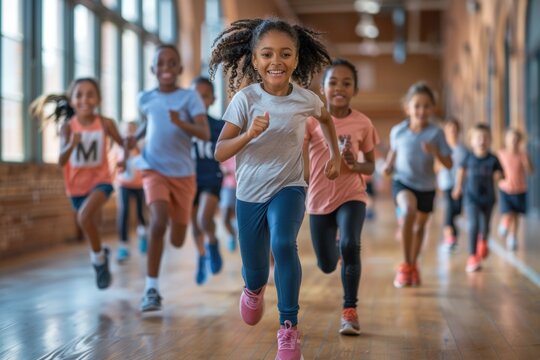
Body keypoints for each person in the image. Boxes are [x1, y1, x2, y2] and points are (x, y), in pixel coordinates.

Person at [209, 18, 340, 360]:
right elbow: (219, 151)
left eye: (285, 53)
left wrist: (335, 155)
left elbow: (326, 119)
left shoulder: (305, 99)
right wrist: (249, 134)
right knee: (255, 270)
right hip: (250, 194)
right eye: (267, 54)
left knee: (283, 243)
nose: (276, 61)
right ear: (255, 60)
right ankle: (254, 289)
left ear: (296, 59)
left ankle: (288, 328)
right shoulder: (245, 99)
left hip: (290, 187)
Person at [304, 59, 379, 336]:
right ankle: (333, 250)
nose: (339, 88)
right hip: (318, 199)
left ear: (355, 89)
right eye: (333, 82)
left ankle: (350, 310)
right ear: (322, 88)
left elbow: (370, 166)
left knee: (350, 244)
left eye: (346, 83)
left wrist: (354, 164)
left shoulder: (363, 123)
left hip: (352, 195)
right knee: (325, 265)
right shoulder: (311, 121)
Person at [30, 78, 127, 290]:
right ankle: (101, 251)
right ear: (72, 101)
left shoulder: (105, 123)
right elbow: (61, 160)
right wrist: (71, 145)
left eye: (90, 94)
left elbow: (123, 143)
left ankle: (98, 261)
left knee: (84, 218)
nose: (85, 99)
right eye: (79, 95)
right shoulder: (68, 127)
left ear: (99, 99)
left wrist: (123, 158)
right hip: (76, 187)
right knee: (93, 226)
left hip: (101, 181)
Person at [134, 44, 210, 312]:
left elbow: (204, 133)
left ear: (179, 69)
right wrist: (135, 137)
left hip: (183, 174)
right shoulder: (145, 98)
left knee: (177, 238)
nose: (166, 68)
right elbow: (148, 123)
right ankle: (151, 289)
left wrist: (182, 123)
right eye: (161, 63)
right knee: (157, 222)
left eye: (172, 63)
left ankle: (180, 230)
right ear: (152, 69)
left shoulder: (190, 98)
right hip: (153, 168)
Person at [383, 82, 452, 288]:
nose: (422, 110)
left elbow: (449, 163)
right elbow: (393, 154)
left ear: (433, 108)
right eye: (417, 106)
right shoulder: (398, 131)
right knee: (409, 210)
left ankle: (413, 265)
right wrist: (387, 166)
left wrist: (435, 153)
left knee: (420, 227)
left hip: (427, 187)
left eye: (427, 106)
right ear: (408, 108)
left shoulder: (437, 133)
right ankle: (405, 266)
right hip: (403, 182)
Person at [452, 123, 504, 272]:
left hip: (488, 199)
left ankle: (484, 241)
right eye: (478, 137)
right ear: (472, 141)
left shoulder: (493, 159)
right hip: (471, 198)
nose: (482, 140)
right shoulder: (468, 157)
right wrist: (458, 187)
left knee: (485, 226)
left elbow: (501, 175)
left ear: (490, 140)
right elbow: (461, 171)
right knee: (473, 224)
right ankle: (472, 256)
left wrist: (499, 177)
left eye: (486, 137)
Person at [190, 76, 225, 285]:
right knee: (194, 225)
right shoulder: (183, 126)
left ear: (212, 99)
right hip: (188, 180)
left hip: (211, 178)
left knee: (204, 219)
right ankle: (201, 256)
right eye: (194, 96)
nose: (199, 100)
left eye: (204, 96)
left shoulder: (217, 126)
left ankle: (212, 242)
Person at [114, 121, 148, 262]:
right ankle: (123, 246)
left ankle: (143, 236)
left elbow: (144, 163)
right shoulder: (119, 147)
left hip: (139, 185)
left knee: (141, 213)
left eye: (132, 130)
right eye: (126, 130)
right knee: (124, 213)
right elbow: (117, 165)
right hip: (123, 185)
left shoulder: (141, 146)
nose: (129, 133)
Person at [497, 128, 533, 250]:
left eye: (516, 139)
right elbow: (497, 171)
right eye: (511, 138)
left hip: (520, 189)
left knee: (516, 215)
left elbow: (531, 171)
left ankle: (513, 237)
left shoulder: (523, 155)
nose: (513, 141)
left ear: (519, 141)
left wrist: (526, 161)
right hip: (505, 188)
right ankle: (505, 222)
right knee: (508, 212)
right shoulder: (501, 154)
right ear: (506, 140)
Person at [436, 118, 467, 251]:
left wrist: (459, 185)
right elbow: (435, 168)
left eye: (455, 128)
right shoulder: (442, 148)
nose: (452, 131)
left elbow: (464, 169)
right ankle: (449, 238)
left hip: (460, 186)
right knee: (449, 210)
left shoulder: (463, 150)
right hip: (446, 184)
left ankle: (452, 237)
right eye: (449, 128)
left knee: (456, 211)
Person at [219, 156, 238, 252]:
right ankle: (232, 234)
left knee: (238, 216)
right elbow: (220, 163)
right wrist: (224, 170)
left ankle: (235, 232)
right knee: (225, 217)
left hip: (243, 186)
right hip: (228, 185)